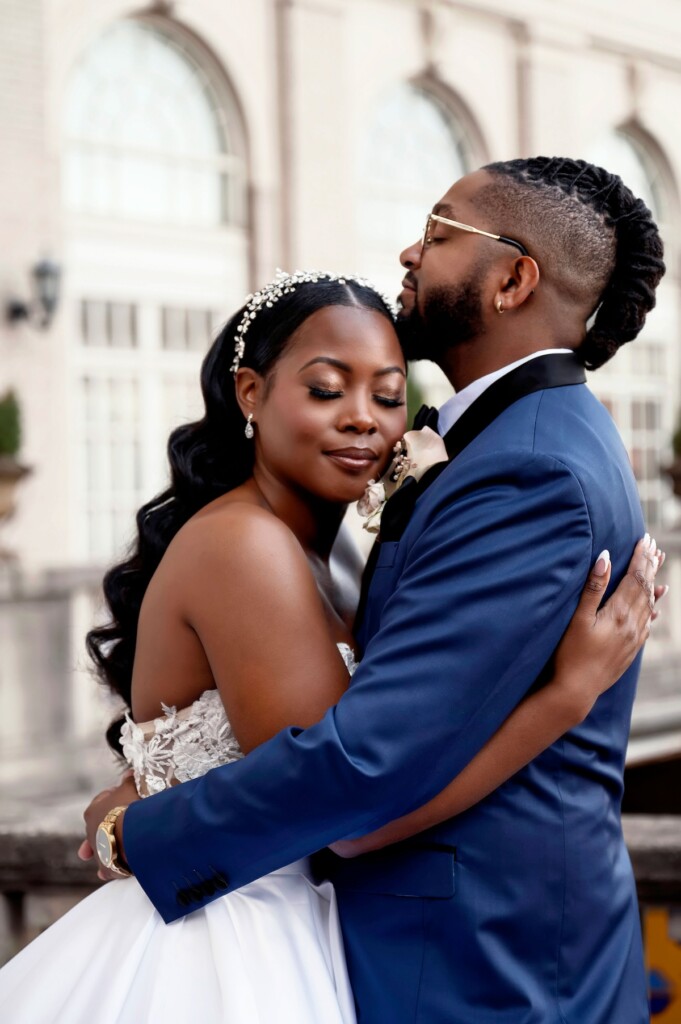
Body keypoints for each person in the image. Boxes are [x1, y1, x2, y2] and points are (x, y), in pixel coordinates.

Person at [74, 157, 666, 1024]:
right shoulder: (507, 447)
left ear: (511, 279)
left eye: (435, 233)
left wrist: (136, 831)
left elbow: (360, 771)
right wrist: (565, 695)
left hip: (485, 964)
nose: (409, 254)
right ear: (253, 394)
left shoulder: (528, 469)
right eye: (327, 388)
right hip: (370, 942)